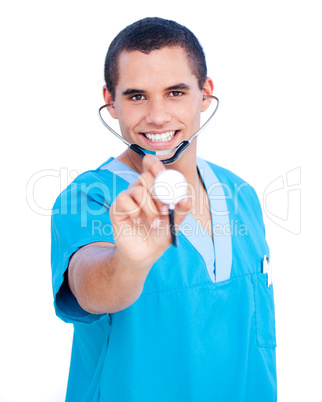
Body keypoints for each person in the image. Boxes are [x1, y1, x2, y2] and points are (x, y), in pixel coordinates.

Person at [51, 17, 277, 401]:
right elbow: (90, 288)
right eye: (136, 96)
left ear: (204, 94)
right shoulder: (88, 198)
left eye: (175, 92)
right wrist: (129, 264)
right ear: (110, 101)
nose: (157, 116)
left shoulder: (243, 195)